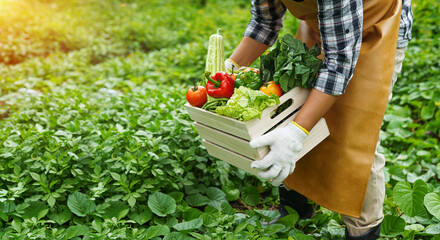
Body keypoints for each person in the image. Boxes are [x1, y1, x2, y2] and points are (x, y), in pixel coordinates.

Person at [225, 0, 413, 239]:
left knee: (354, 134)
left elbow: (339, 64)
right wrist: (227, 71)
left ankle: (362, 232)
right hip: (325, 23)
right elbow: (265, 21)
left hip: (375, 27)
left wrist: (296, 134)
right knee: (292, 108)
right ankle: (295, 210)